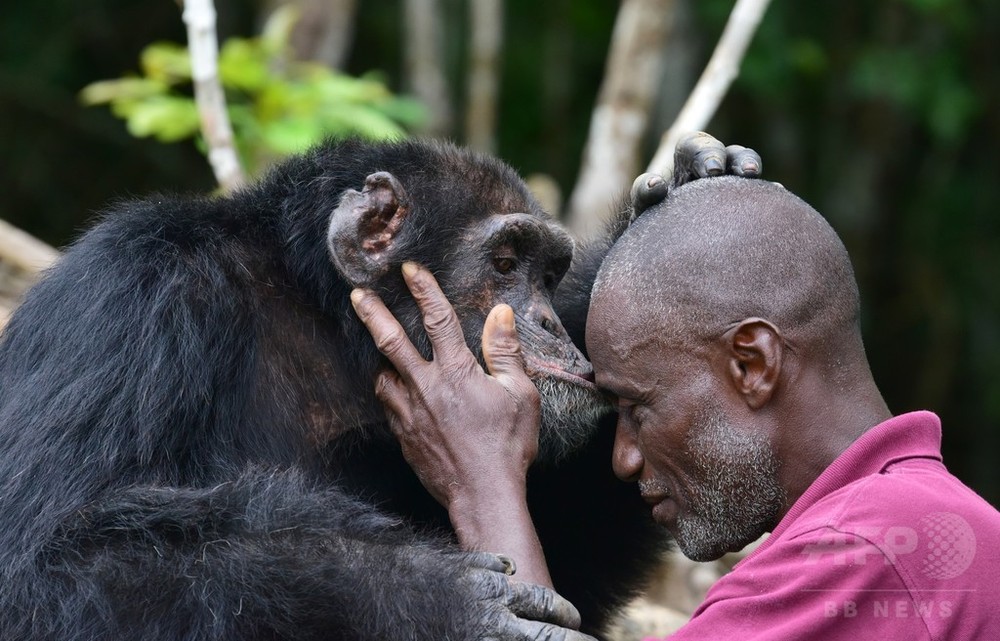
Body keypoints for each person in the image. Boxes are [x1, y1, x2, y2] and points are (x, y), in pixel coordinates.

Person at [349, 176, 1000, 640]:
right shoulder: (920, 523)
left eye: (635, 407)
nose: (624, 457)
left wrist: (481, 483)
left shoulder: (870, 549)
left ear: (753, 364)